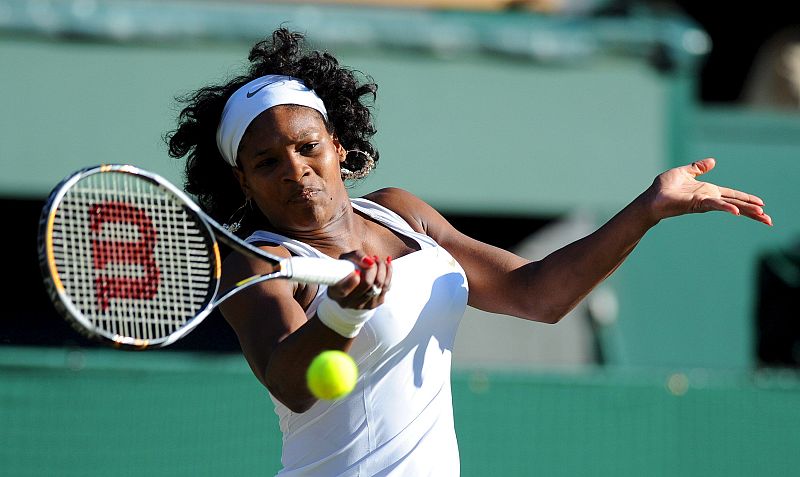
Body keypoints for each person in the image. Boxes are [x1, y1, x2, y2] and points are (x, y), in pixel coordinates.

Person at [166, 28, 772, 476]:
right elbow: (292, 384)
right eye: (267, 162)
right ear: (243, 181)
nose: (294, 170)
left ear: (338, 147)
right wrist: (342, 315)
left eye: (307, 148)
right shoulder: (255, 263)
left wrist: (648, 208)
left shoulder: (401, 211)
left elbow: (538, 295)